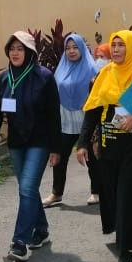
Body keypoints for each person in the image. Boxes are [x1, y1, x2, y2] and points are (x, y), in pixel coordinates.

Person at [76, 29, 132, 262]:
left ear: (131, 47)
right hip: (108, 147)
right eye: (113, 45)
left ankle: (126, 250)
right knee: (114, 196)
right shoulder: (104, 74)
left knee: (127, 197)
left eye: (120, 45)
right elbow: (93, 110)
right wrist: (83, 143)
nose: (115, 49)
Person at [0, 31, 62, 262]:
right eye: (12, 48)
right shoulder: (3, 78)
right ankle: (41, 230)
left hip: (39, 142)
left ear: (29, 52)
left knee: (27, 188)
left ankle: (20, 242)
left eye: (20, 48)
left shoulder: (44, 77)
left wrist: (56, 148)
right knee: (28, 189)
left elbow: (53, 116)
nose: (15, 53)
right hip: (17, 143)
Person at [43, 32, 101, 208]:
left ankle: (96, 191)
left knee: (92, 157)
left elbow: (98, 96)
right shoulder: (61, 69)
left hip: (86, 118)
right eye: (68, 48)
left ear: (82, 48)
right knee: (59, 156)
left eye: (75, 47)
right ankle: (56, 193)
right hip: (65, 119)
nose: (71, 51)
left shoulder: (92, 69)